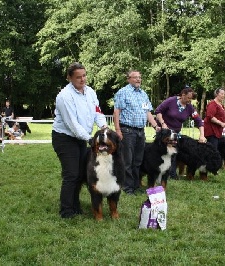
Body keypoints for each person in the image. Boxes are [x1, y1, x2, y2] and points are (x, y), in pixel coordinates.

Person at [52, 62, 107, 219]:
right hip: (64, 138)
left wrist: (104, 127)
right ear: (69, 78)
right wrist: (91, 139)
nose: (82, 79)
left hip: (82, 138)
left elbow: (97, 112)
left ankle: (76, 206)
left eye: (84, 75)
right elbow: (73, 125)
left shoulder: (90, 92)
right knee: (71, 174)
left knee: (82, 173)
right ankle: (66, 211)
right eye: (78, 77)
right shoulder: (64, 96)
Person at [113, 70, 158, 195]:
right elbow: (117, 111)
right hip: (127, 131)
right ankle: (127, 187)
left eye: (140, 77)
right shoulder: (123, 92)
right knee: (128, 160)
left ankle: (135, 184)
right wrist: (117, 130)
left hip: (140, 131)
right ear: (128, 79)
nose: (138, 79)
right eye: (135, 77)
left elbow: (147, 112)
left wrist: (155, 126)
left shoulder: (143, 94)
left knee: (138, 161)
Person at [155, 86, 206, 179]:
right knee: (161, 152)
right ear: (183, 95)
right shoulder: (171, 101)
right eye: (188, 98)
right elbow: (158, 111)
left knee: (173, 152)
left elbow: (199, 121)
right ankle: (157, 172)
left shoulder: (190, 107)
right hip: (164, 132)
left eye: (191, 99)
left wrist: (202, 135)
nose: (189, 101)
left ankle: (172, 174)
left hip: (175, 133)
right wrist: (163, 124)